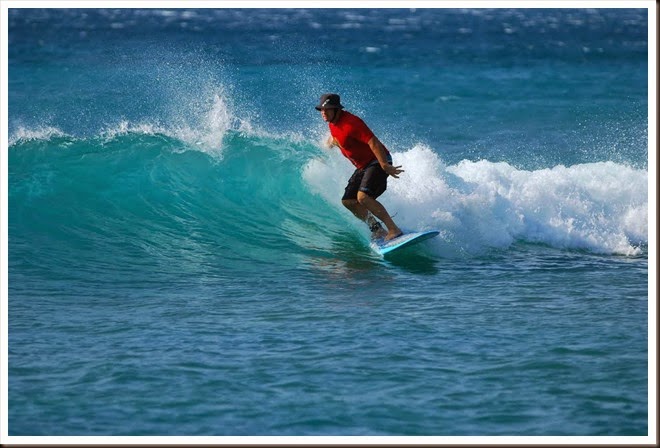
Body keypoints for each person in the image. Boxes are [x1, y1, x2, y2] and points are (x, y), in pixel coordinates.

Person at [316, 93, 404, 241]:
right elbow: (338, 137)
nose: (323, 113)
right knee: (348, 201)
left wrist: (384, 164)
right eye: (322, 110)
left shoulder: (352, 122)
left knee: (363, 197)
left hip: (377, 160)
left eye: (327, 109)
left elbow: (373, 142)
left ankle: (393, 229)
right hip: (364, 165)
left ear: (337, 109)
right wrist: (327, 148)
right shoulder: (332, 123)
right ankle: (377, 230)